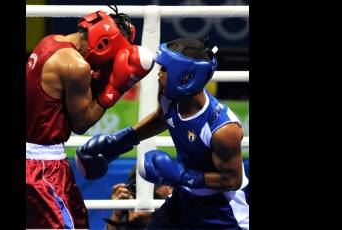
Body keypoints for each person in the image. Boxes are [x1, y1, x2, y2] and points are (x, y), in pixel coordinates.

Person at [76, 38, 249, 229]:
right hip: (185, 198)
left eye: (165, 70)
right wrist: (120, 141)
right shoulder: (169, 95)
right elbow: (162, 117)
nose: (159, 74)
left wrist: (182, 176)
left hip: (223, 211)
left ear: (184, 77)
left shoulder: (224, 129)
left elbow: (232, 180)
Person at [26, 4, 155, 229]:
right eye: (113, 57)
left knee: (79, 222)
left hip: (46, 159)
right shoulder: (76, 66)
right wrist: (115, 87)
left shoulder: (51, 40)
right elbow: (82, 123)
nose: (109, 64)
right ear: (105, 43)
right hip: (41, 166)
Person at [104, 166, 173, 230]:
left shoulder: (178, 215)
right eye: (140, 185)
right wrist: (116, 215)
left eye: (155, 184)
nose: (147, 191)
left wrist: (148, 222)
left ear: (170, 187)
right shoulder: (127, 213)